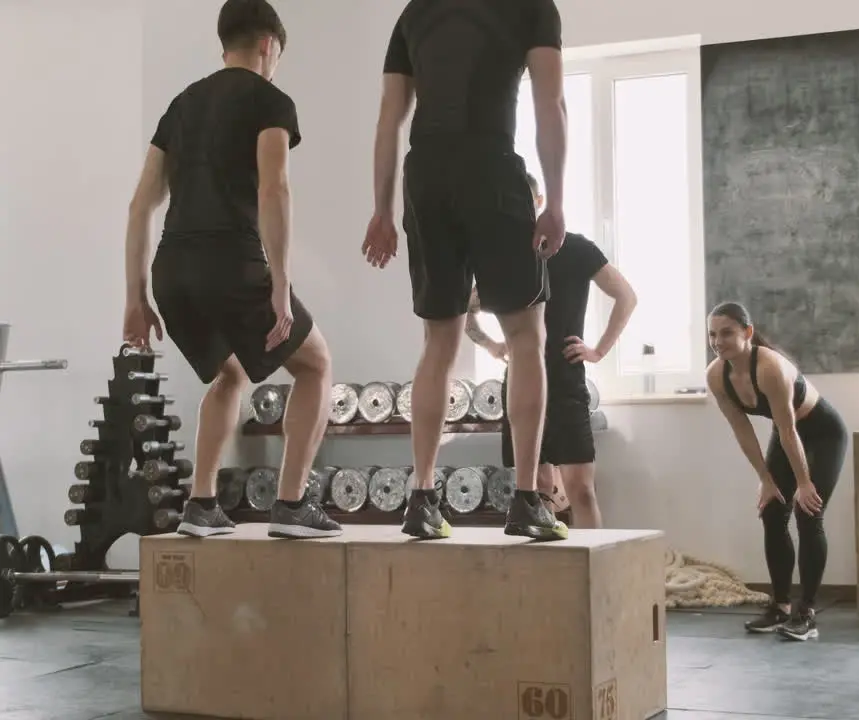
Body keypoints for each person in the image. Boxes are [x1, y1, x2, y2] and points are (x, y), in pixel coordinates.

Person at [120, 0, 342, 540]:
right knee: (315, 367)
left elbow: (140, 206)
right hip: (233, 264)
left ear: (227, 44)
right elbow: (275, 187)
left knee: (230, 372)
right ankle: (290, 507)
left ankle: (200, 505)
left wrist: (136, 298)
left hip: (172, 272)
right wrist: (281, 285)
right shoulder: (270, 100)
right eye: (278, 56)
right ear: (268, 46)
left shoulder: (181, 105)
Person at [360, 0, 570, 541]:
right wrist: (556, 201)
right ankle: (527, 498)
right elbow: (552, 103)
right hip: (491, 169)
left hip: (425, 176)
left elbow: (390, 118)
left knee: (438, 341)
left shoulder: (415, 12)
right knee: (526, 335)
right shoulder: (533, 7)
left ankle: (422, 498)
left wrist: (382, 210)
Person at [466, 173, 638, 529]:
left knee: (581, 490)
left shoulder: (577, 250)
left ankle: (593, 575)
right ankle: (548, 576)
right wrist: (493, 345)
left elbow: (626, 296)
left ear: (540, 201)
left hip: (565, 381)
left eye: (527, 202)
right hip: (520, 386)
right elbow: (466, 313)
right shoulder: (502, 259)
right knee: (539, 489)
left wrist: (599, 351)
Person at [705, 302, 849, 641]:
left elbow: (788, 431)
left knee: (808, 512)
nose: (718, 341)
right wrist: (766, 481)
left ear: (748, 333)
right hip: (787, 436)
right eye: (713, 334)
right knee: (772, 511)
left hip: (822, 434)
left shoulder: (770, 367)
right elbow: (742, 430)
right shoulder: (717, 375)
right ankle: (780, 607)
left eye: (726, 332)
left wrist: (803, 483)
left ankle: (806, 613)